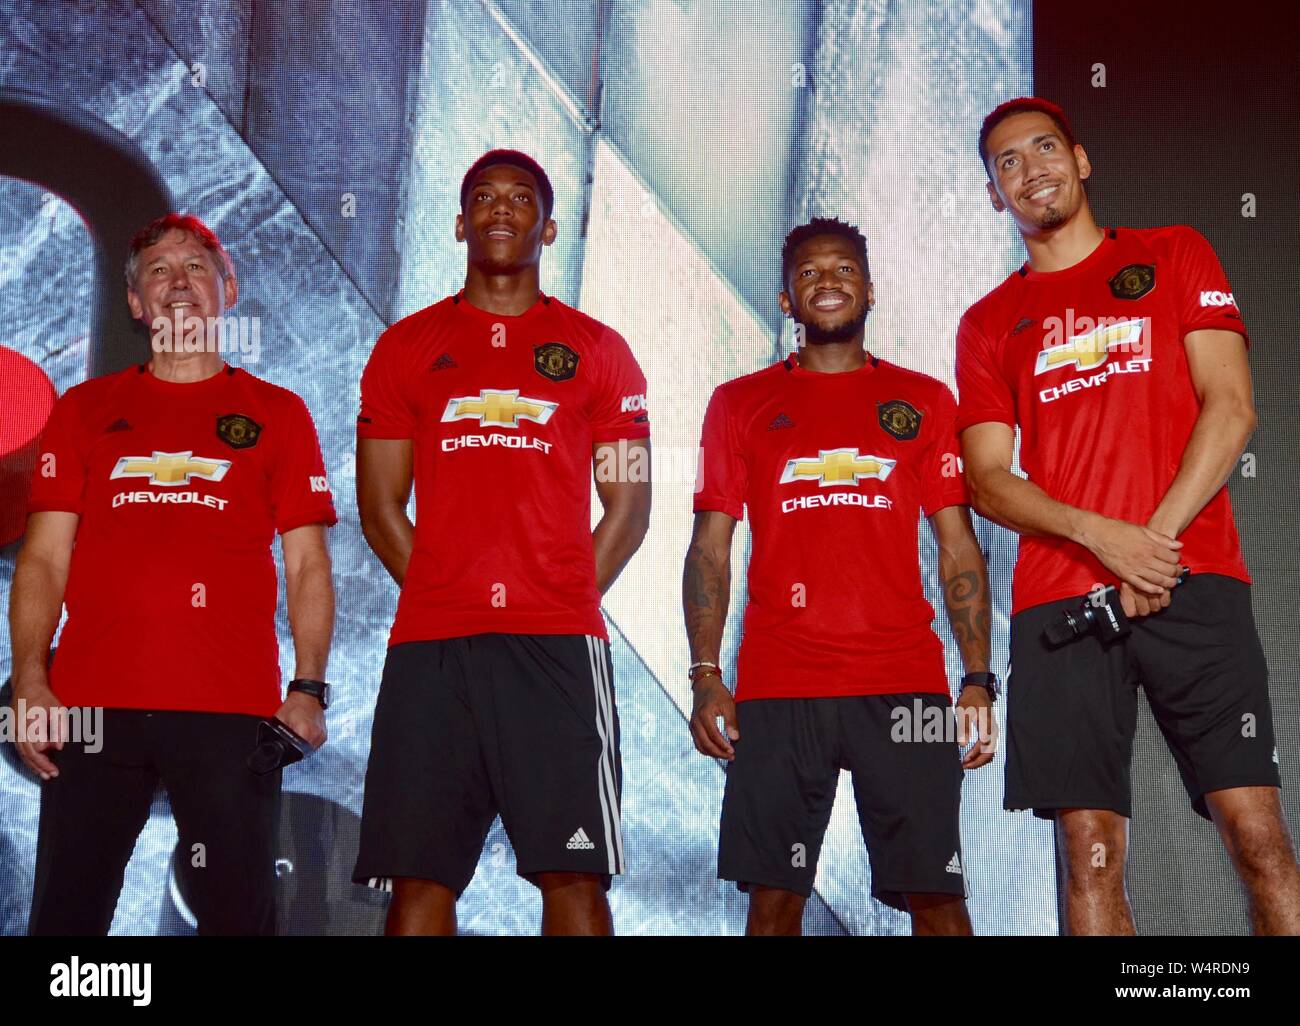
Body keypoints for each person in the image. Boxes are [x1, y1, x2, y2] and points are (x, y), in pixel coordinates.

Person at [957, 97, 1300, 934]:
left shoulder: (1173, 254)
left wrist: (1155, 547)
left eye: (1044, 148)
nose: (1030, 167)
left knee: (1258, 838)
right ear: (994, 195)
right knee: (1090, 855)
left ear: (1080, 160)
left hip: (1196, 578)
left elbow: (1232, 410)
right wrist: (1101, 538)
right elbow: (988, 480)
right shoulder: (988, 322)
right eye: (1007, 162)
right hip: (1060, 606)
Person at [352, 149, 651, 936]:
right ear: (459, 222)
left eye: (522, 198)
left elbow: (629, 506)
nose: (501, 208)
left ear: (548, 227)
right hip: (432, 649)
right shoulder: (404, 350)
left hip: (555, 648)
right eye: (483, 196)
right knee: (417, 884)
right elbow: (380, 506)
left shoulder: (601, 352)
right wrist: (447, 590)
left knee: (576, 881)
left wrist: (551, 597)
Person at [11, 213, 336, 935]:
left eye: (195, 266)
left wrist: (308, 688)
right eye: (157, 270)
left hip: (231, 711)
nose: (177, 283)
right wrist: (31, 678)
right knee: (64, 927)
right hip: (91, 705)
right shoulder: (85, 410)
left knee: (237, 923)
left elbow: (308, 562)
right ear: (135, 303)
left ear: (228, 287)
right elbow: (42, 557)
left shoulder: (276, 415)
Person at [685, 217, 996, 936]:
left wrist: (977, 678)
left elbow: (957, 547)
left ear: (871, 290)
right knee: (772, 904)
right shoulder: (738, 404)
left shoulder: (923, 401)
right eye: (810, 273)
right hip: (778, 684)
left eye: (845, 270)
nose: (829, 283)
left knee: (940, 900)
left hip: (904, 684)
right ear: (787, 299)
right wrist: (706, 671)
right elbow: (709, 549)